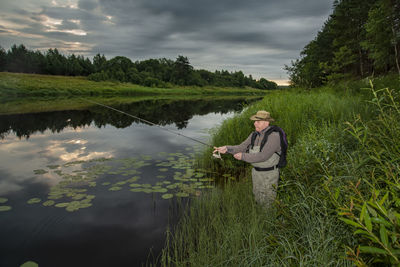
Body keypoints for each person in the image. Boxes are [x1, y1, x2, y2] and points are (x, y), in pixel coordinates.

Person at [213, 110, 281, 207]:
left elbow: (263, 156)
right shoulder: (253, 135)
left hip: (269, 174)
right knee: (257, 198)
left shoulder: (274, 136)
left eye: (258, 121)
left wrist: (243, 156)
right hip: (256, 173)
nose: (254, 123)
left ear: (267, 122)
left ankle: (269, 220)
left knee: (268, 202)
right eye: (255, 121)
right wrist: (227, 149)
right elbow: (241, 147)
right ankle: (260, 219)